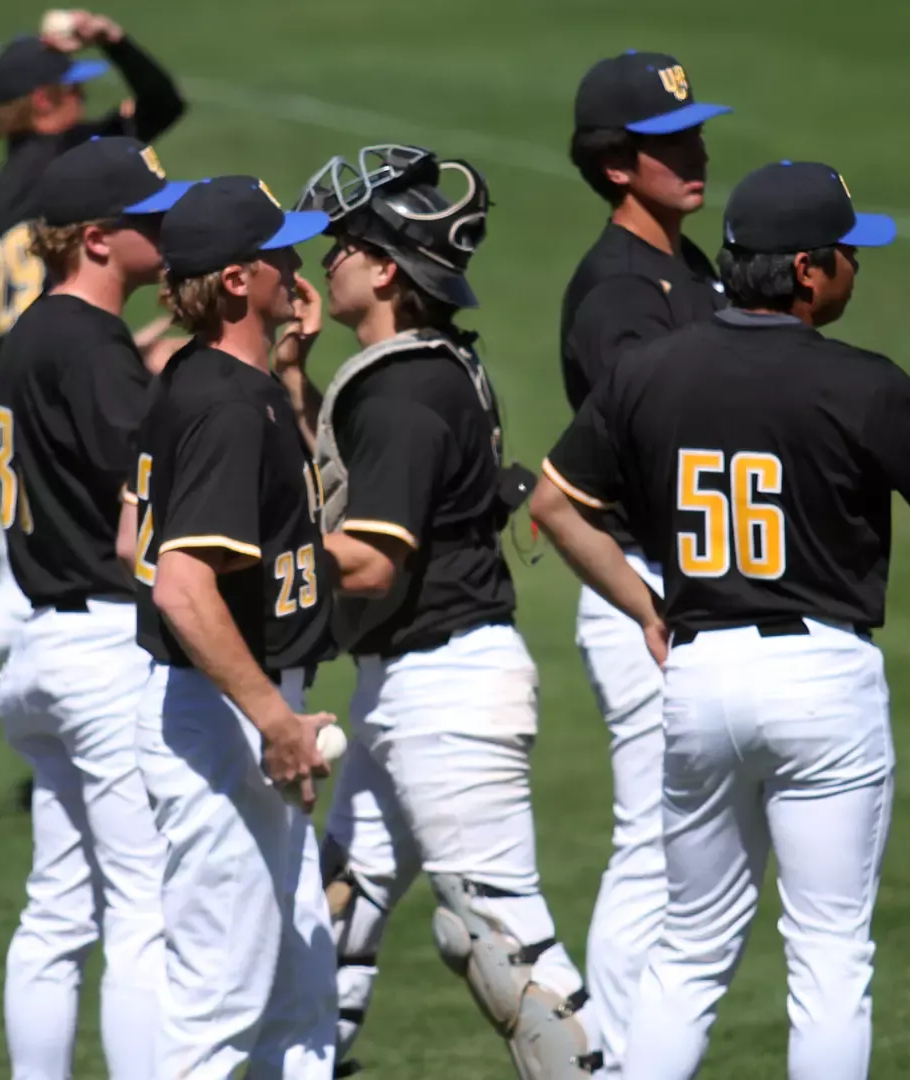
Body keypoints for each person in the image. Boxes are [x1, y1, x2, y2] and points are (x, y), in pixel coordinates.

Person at [531, 162, 910, 1080]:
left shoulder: (651, 368)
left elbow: (554, 505)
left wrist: (648, 608)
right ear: (807, 270)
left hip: (697, 675)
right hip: (820, 684)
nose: (856, 268)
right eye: (848, 253)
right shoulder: (858, 381)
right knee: (830, 956)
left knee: (687, 953)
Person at [278, 145, 596, 1078]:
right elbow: (353, 491)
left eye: (337, 244)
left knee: (510, 953)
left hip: (445, 693)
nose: (320, 261)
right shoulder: (416, 367)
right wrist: (297, 377)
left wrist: (242, 561)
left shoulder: (404, 390)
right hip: (413, 687)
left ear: (383, 266)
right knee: (333, 911)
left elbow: (370, 560)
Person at [0, 10, 190, 822]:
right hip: (67, 378)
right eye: (69, 92)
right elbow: (165, 101)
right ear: (45, 104)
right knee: (40, 582)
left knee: (27, 577)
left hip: (11, 378)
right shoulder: (82, 170)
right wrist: (110, 40)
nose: (82, 105)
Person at [0, 135, 191, 1080]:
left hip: (40, 646)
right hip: (109, 651)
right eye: (151, 219)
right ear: (100, 241)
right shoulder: (93, 343)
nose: (169, 229)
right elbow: (143, 498)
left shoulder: (31, 331)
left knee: (57, 912)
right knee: (145, 908)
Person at [130, 176, 337, 1078]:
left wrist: (291, 367)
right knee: (218, 1021)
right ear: (241, 281)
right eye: (282, 253)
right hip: (226, 717)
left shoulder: (212, 378)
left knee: (297, 1004)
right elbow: (179, 585)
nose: (300, 265)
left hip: (226, 707)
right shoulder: (220, 402)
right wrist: (274, 720)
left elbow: (132, 539)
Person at [559, 51, 730, 1075]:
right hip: (641, 587)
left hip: (684, 581)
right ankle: (615, 1059)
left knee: (681, 854)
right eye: (669, 143)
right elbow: (653, 435)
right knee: (651, 846)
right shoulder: (619, 291)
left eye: (695, 133)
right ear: (618, 166)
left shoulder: (686, 264)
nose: (696, 153)